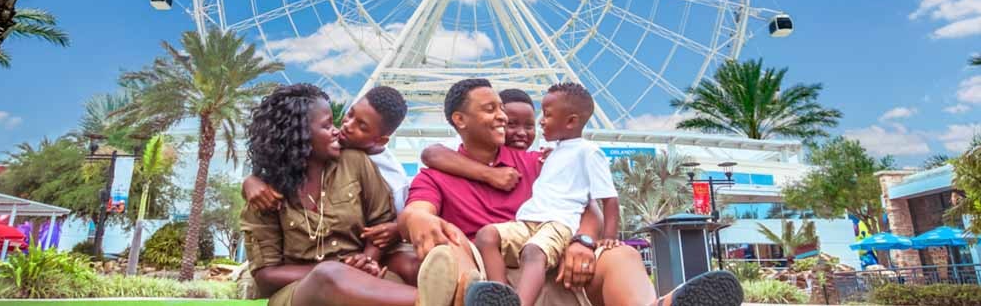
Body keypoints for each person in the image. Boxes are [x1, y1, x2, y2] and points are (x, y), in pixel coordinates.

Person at [399, 78, 745, 306]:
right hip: (494, 276)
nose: (503, 118)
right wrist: (416, 218)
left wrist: (583, 241)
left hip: (555, 261)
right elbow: (418, 210)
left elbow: (588, 207)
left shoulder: (538, 161)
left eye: (502, 109)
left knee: (621, 256)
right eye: (492, 110)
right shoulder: (435, 175)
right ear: (460, 121)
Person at [240, 84, 461, 306]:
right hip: (300, 291)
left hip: (365, 277)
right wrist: (342, 269)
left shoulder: (356, 162)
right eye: (327, 125)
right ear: (299, 136)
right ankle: (449, 302)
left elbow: (381, 225)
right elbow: (266, 276)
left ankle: (454, 295)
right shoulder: (265, 193)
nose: (339, 129)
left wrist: (367, 259)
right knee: (328, 276)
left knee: (419, 264)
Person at [470, 83, 619, 306]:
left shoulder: (589, 152)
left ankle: (519, 304)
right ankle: (500, 296)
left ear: (570, 121)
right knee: (487, 236)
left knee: (533, 253)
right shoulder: (555, 152)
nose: (541, 121)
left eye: (547, 116)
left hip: (558, 223)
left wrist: (608, 237)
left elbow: (609, 198)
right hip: (528, 221)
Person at [244, 86, 412, 266]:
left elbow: (388, 224)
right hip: (313, 275)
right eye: (350, 115)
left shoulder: (390, 178)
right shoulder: (331, 147)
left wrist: (396, 230)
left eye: (362, 126)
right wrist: (250, 181)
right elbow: (283, 149)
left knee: (408, 265)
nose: (346, 126)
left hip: (374, 255)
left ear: (380, 140)